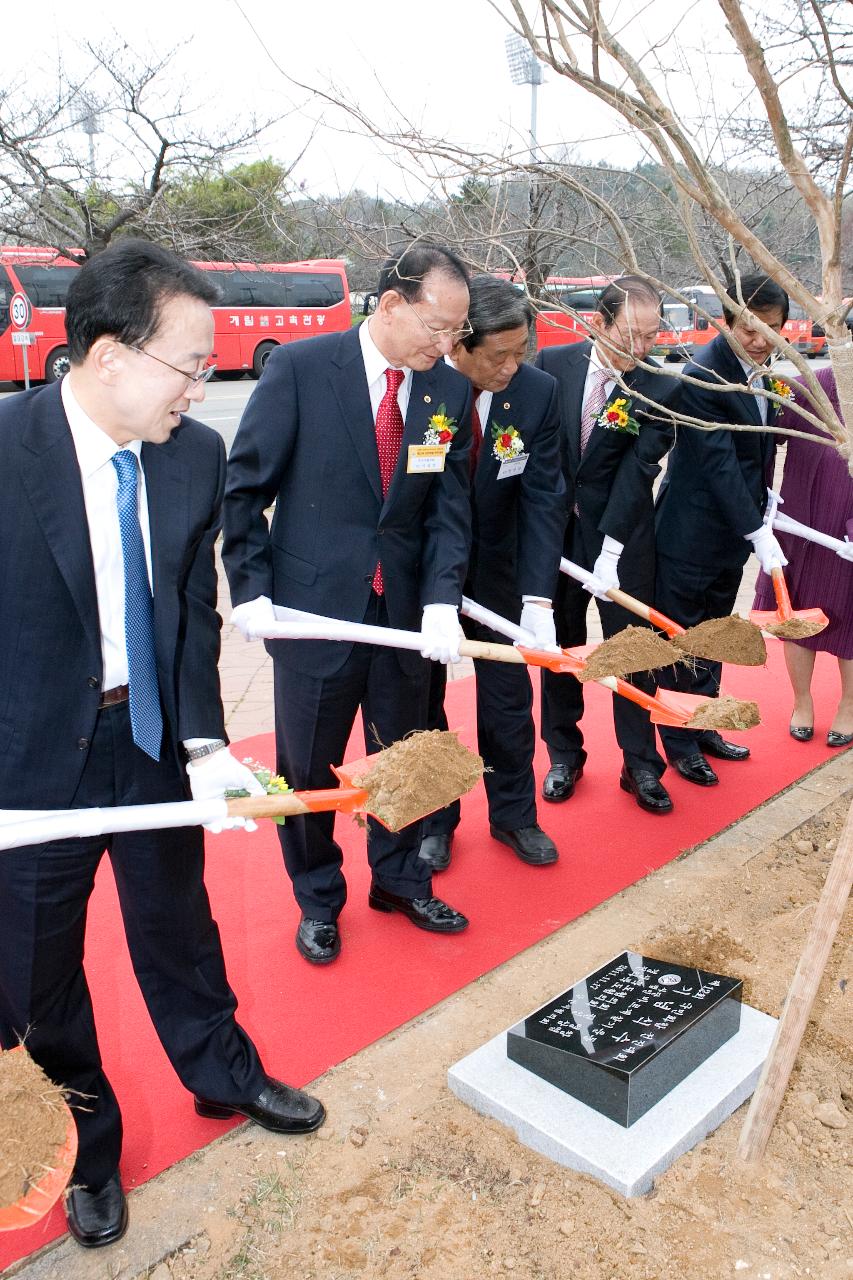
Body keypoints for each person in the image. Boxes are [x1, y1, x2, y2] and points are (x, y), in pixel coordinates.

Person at [0, 240, 325, 1252]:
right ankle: (89, 1149)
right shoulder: (7, 451)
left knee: (178, 922)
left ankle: (221, 1069)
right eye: (189, 360)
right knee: (38, 973)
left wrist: (204, 741)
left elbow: (186, 608)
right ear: (107, 357)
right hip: (26, 764)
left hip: (144, 731)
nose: (205, 380)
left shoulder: (193, 453)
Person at [223, 243, 473, 966]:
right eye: (436, 326)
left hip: (401, 619)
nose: (445, 344)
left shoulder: (446, 393)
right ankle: (318, 896)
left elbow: (447, 512)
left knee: (403, 756)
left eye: (456, 331)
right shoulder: (300, 370)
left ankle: (398, 878)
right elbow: (245, 492)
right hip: (311, 612)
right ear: (390, 304)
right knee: (308, 766)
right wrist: (252, 591)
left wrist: (441, 601)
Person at [417, 275, 566, 872]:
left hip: (502, 566)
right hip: (426, 568)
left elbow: (543, 498)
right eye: (498, 355)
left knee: (507, 698)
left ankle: (514, 816)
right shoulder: (425, 388)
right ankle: (435, 820)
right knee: (421, 699)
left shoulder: (538, 392)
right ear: (459, 346)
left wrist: (538, 599)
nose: (512, 365)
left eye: (521, 350)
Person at [535, 276, 680, 814]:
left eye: (651, 336)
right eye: (630, 334)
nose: (641, 348)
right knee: (560, 648)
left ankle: (640, 764)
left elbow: (636, 471)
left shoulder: (659, 388)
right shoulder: (552, 368)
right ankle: (564, 754)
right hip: (556, 540)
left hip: (622, 537)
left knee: (632, 651)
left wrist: (612, 550)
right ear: (598, 322)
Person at [654, 273, 790, 783]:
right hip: (691, 533)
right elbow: (719, 465)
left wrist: (765, 506)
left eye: (772, 330)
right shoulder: (705, 372)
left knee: (716, 632)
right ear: (728, 322)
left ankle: (704, 721)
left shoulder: (764, 370)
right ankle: (678, 739)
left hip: (732, 534)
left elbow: (758, 451)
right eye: (751, 329)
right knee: (681, 637)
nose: (760, 341)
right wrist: (757, 531)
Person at [752, 365, 853, 747]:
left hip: (848, 528)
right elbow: (765, 431)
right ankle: (802, 701)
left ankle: (849, 705)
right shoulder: (812, 383)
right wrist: (760, 500)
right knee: (794, 615)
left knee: (851, 623)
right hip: (800, 521)